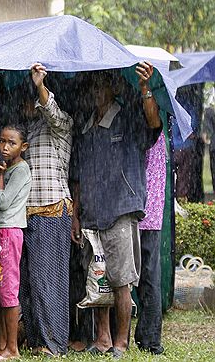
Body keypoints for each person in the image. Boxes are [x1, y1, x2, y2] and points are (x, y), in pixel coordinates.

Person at [70, 61, 161, 358]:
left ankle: (121, 342)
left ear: (112, 88)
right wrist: (75, 214)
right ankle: (103, 339)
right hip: (92, 214)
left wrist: (144, 89)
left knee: (122, 280)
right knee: (98, 278)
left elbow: (153, 124)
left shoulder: (127, 116)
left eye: (100, 86)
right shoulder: (86, 127)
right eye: (91, 87)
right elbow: (79, 176)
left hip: (120, 210)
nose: (95, 92)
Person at [18, 63, 74, 357]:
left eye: (29, 99)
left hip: (52, 209)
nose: (25, 105)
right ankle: (39, 340)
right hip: (28, 213)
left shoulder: (60, 123)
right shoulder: (28, 128)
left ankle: (55, 342)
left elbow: (50, 110)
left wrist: (40, 85)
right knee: (31, 280)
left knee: (48, 278)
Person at [0, 124, 31, 360]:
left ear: (23, 147)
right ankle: (2, 343)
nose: (5, 147)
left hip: (9, 232)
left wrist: (0, 176)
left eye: (11, 143)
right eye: (2, 141)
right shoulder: (8, 167)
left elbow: (3, 202)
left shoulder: (21, 170)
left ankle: (12, 349)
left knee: (8, 292)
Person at [135, 132, 166, 355]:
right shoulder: (156, 135)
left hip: (142, 213)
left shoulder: (151, 133)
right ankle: (148, 337)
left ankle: (151, 339)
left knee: (147, 278)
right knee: (148, 276)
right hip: (148, 213)